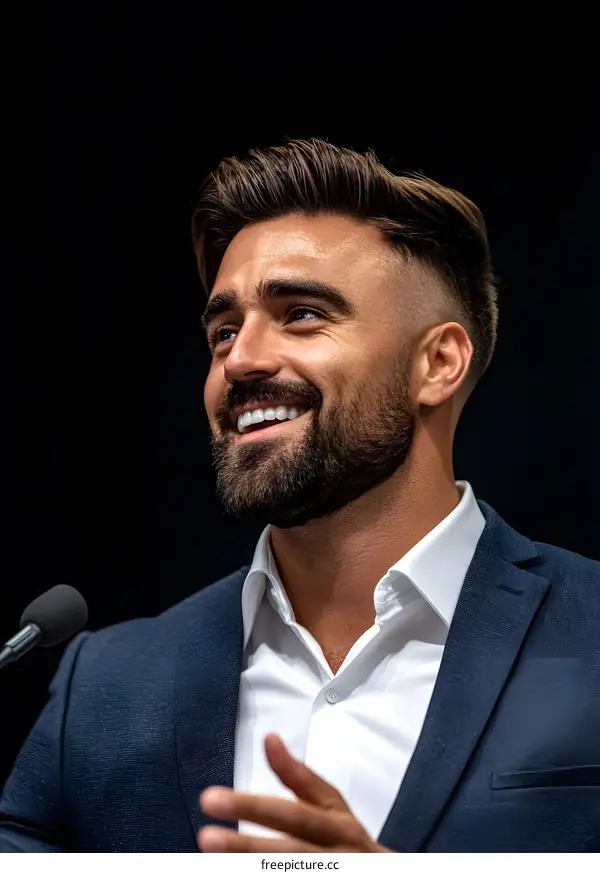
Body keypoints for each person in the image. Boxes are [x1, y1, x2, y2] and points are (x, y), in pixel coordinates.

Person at [1, 139, 599, 853]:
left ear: (438, 362)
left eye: (303, 314)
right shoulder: (103, 685)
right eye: (224, 331)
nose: (241, 360)